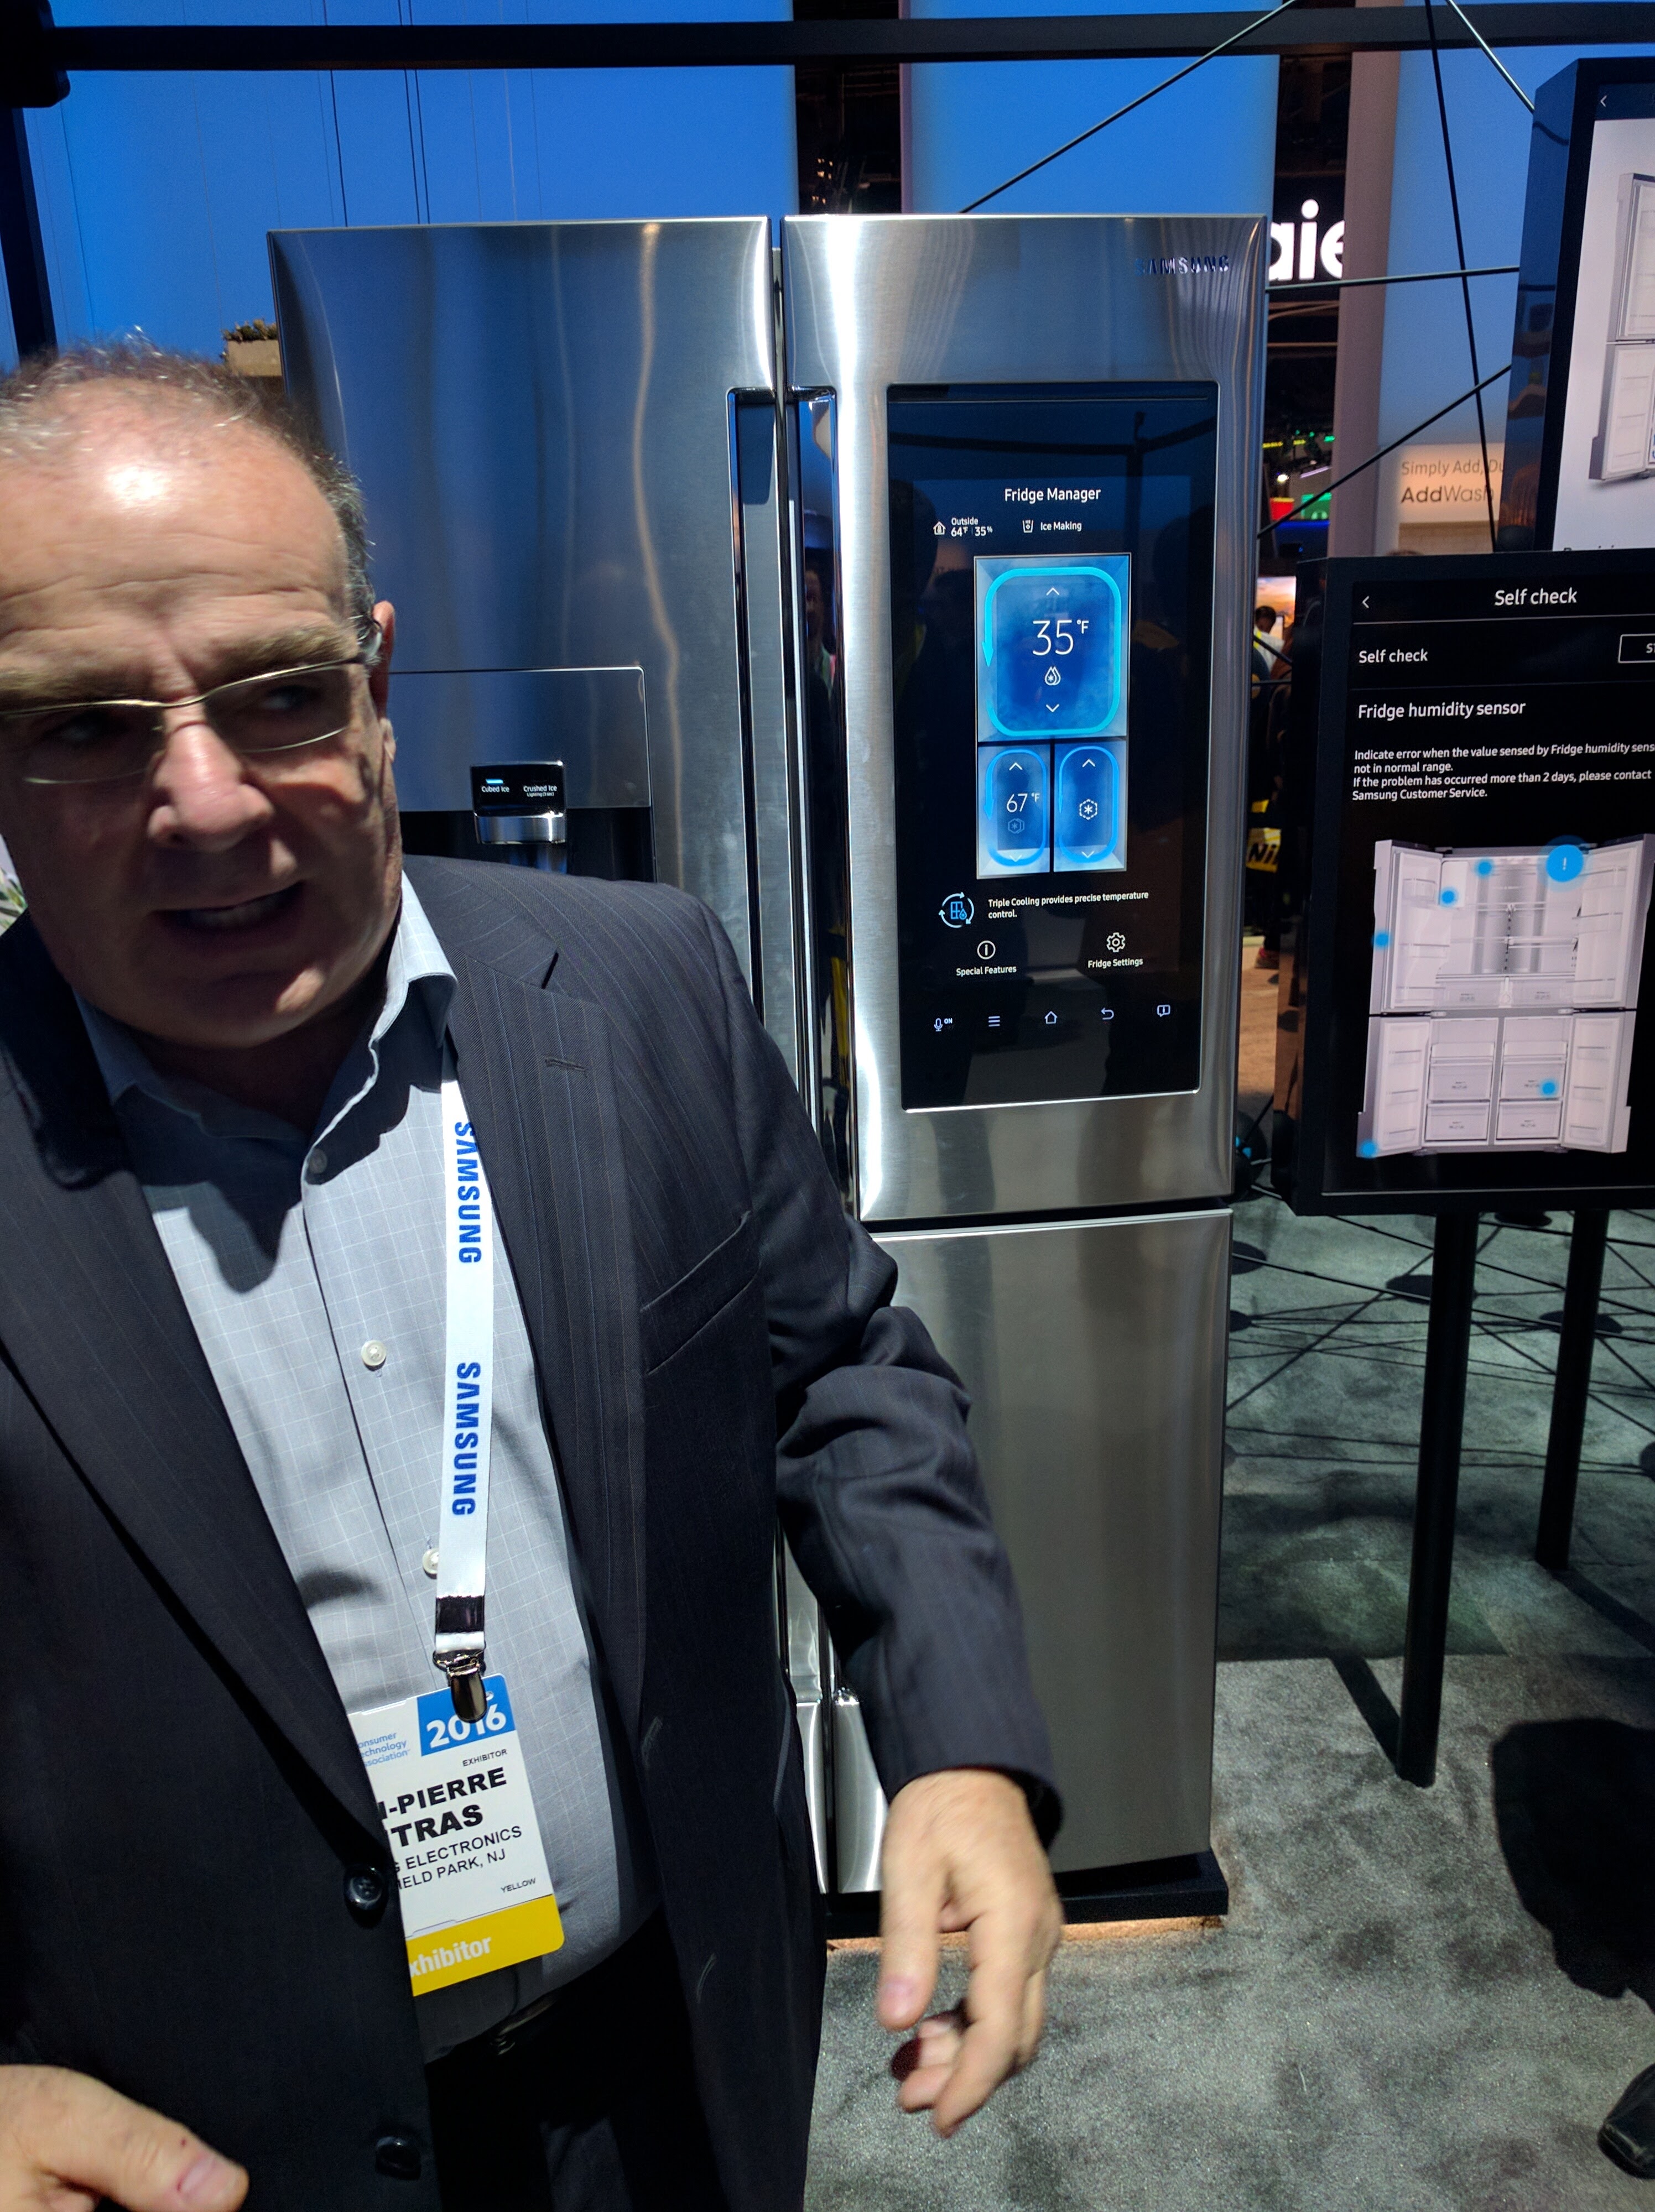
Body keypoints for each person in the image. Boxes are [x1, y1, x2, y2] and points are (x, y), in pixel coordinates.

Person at [0, 345, 1063, 2212]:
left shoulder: (643, 979)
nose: (211, 803)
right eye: (87, 726)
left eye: (281, 694)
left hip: (672, 2068)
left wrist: (960, 1744)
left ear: (379, 682)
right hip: (203, 2157)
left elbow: (844, 1372)